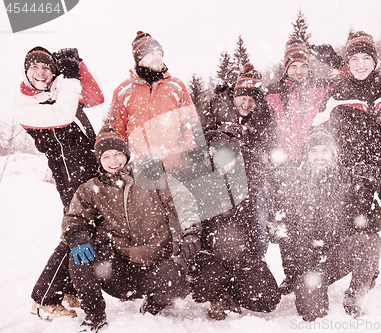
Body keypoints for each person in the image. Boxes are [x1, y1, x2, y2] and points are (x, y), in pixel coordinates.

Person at [61, 128, 201, 332]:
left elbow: (183, 202)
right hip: (117, 270)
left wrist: (190, 231)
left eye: (117, 153)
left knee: (180, 278)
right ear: (99, 159)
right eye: (106, 156)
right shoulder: (91, 188)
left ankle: (152, 307)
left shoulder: (151, 175)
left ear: (126, 154)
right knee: (79, 255)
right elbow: (74, 218)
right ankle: (95, 315)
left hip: (156, 265)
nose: (113, 160)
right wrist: (76, 235)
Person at [316, 31, 381, 300]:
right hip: (355, 175)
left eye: (366, 58)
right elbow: (316, 130)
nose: (361, 64)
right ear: (347, 62)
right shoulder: (336, 93)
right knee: (360, 230)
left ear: (375, 61)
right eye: (355, 58)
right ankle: (362, 283)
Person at [15, 46, 104, 320]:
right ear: (26, 71)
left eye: (47, 67)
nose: (41, 73)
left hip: (87, 166)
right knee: (78, 228)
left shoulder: (57, 91)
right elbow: (64, 115)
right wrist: (70, 79)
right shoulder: (26, 103)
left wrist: (78, 65)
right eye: (35, 67)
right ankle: (44, 296)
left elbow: (94, 96)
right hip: (69, 173)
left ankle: (67, 288)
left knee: (91, 225)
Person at [268, 130, 381, 320]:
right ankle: (304, 286)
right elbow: (277, 233)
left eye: (325, 151)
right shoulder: (292, 183)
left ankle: (355, 298)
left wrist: (366, 200)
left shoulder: (348, 180)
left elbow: (375, 224)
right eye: (314, 151)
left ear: (333, 154)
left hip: (333, 257)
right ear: (306, 154)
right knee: (313, 314)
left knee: (370, 240)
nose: (320, 156)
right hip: (304, 265)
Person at [265, 36, 343, 293]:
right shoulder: (274, 92)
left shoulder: (322, 87)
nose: (298, 71)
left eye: (302, 65)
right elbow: (259, 117)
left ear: (309, 67)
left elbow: (348, 79)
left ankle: (320, 268)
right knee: (287, 219)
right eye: (293, 66)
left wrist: (335, 61)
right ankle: (292, 272)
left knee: (317, 215)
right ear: (286, 67)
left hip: (312, 161)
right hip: (285, 165)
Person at [188, 123, 281, 321]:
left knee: (268, 297)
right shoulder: (199, 186)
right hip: (210, 256)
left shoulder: (249, 184)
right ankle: (218, 295)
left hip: (242, 255)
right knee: (209, 279)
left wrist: (256, 257)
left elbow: (259, 224)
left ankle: (235, 291)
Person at [200, 63, 278, 258]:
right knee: (218, 225)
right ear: (234, 95)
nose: (247, 103)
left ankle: (255, 261)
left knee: (256, 226)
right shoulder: (217, 106)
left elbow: (270, 146)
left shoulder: (264, 115)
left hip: (252, 178)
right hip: (218, 177)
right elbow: (199, 138)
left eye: (252, 100)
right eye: (243, 98)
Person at [109, 31, 203, 180]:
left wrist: (192, 148)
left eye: (160, 53)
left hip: (176, 168)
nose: (158, 57)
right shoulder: (123, 92)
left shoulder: (176, 86)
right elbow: (117, 132)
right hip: (142, 170)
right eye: (151, 53)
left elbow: (189, 123)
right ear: (139, 58)